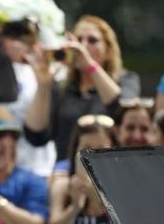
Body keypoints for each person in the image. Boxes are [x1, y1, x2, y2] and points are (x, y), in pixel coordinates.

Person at [25, 15, 140, 162]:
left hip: (112, 168)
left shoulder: (126, 80)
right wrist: (43, 85)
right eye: (78, 40)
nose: (83, 46)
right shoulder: (62, 88)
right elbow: (36, 135)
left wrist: (90, 66)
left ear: (108, 49)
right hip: (69, 175)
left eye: (92, 40)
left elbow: (124, 110)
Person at [0, 19, 56, 177]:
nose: (17, 44)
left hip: (36, 164)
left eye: (24, 37)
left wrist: (39, 19)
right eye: (11, 36)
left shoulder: (42, 71)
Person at [47, 114, 117, 224]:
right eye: (86, 148)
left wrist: (95, 194)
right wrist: (75, 207)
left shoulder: (122, 187)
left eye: (101, 149)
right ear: (76, 150)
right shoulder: (62, 186)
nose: (92, 156)